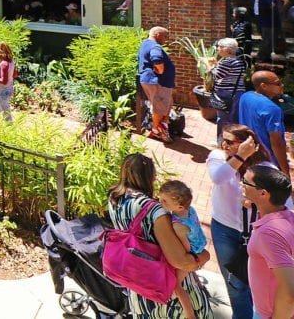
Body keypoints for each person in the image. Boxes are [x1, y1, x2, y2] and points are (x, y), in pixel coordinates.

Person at [107, 154, 211, 318]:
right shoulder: (155, 211)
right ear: (148, 176)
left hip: (139, 285)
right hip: (165, 291)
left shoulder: (115, 197)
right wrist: (204, 257)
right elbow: (180, 261)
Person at [207, 124, 275, 319]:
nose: (224, 145)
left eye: (230, 142)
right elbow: (218, 178)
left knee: (258, 281)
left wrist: (259, 204)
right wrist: (239, 157)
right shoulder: (217, 157)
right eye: (223, 140)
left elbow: (280, 199)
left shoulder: (264, 168)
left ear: (247, 144)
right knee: (235, 284)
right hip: (224, 230)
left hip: (255, 232)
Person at [243, 165, 294, 319]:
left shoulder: (268, 234)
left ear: (263, 193)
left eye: (246, 182)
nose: (242, 184)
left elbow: (292, 292)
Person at [158, 180, 207, 319]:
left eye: (164, 201)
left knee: (176, 285)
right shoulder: (190, 210)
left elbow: (185, 251)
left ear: (178, 207)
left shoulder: (178, 226)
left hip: (193, 252)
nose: (160, 202)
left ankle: (190, 315)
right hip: (200, 243)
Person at [238, 70, 290, 176]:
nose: (282, 85)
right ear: (264, 86)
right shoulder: (272, 109)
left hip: (249, 154)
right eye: (278, 83)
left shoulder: (245, 96)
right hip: (268, 162)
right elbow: (276, 143)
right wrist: (285, 170)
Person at [200, 37, 246, 137]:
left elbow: (216, 75)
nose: (218, 49)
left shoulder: (227, 62)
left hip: (226, 93)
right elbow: (225, 73)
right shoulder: (237, 61)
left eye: (220, 47)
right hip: (237, 93)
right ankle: (233, 140)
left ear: (228, 50)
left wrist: (206, 63)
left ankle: (222, 142)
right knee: (233, 118)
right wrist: (216, 64)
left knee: (223, 119)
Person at [137, 26, 176, 143]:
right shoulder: (155, 46)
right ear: (157, 35)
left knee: (167, 104)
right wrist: (161, 70)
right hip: (157, 81)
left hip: (152, 80)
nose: (166, 39)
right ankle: (156, 131)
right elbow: (157, 58)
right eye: (165, 36)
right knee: (159, 107)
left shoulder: (145, 44)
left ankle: (163, 126)